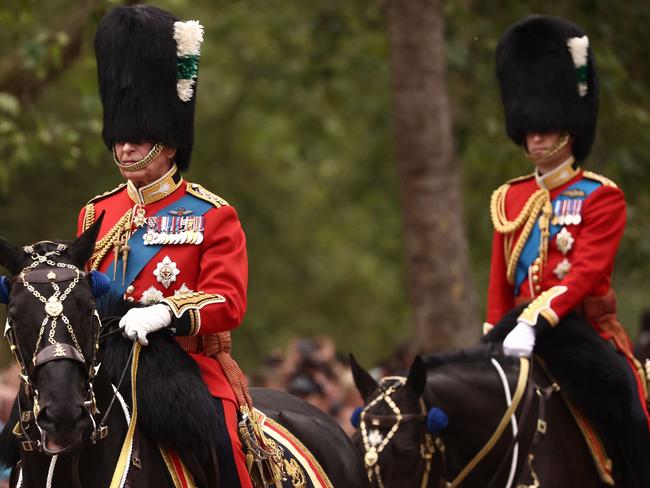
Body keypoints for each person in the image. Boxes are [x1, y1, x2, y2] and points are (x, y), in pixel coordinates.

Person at [77, 5, 252, 487]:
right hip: (105, 367)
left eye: (136, 139)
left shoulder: (213, 214)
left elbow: (228, 301)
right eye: (119, 140)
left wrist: (168, 314)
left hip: (184, 367)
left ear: (169, 144)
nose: (125, 149)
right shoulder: (97, 213)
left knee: (223, 447)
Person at [485, 15, 650, 486]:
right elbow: (499, 283)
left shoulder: (601, 196)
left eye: (546, 127)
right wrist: (495, 333)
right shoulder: (509, 197)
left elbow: (582, 275)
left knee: (627, 407)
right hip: (514, 331)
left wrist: (537, 319)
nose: (535, 137)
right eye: (529, 129)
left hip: (580, 331)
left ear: (570, 128)